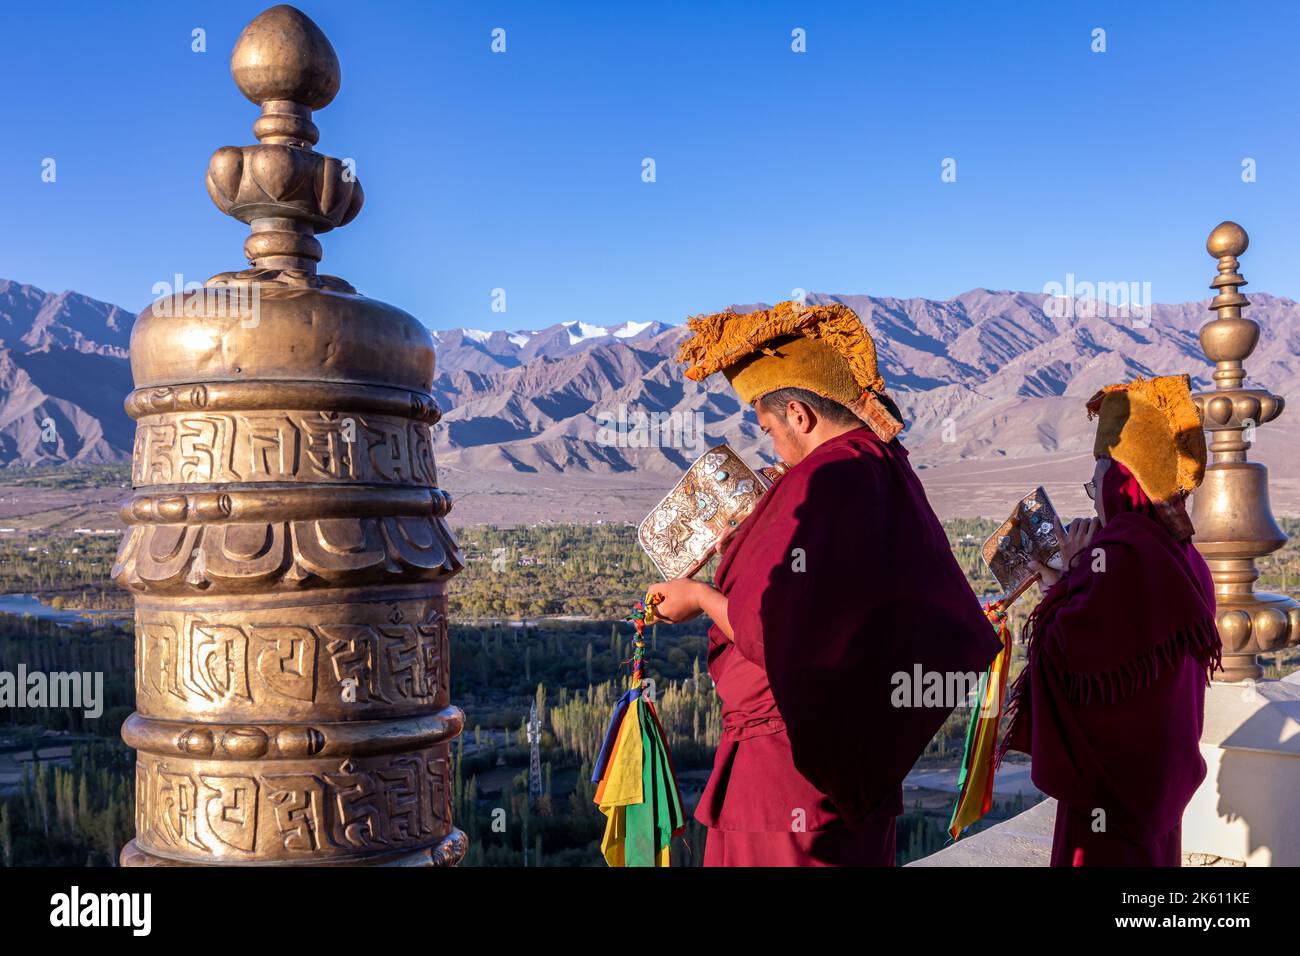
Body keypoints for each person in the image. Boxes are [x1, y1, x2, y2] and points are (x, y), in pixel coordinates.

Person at [648, 300, 1002, 866]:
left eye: (769, 429)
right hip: (849, 761)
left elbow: (780, 629)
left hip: (789, 776)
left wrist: (702, 597)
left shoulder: (830, 478)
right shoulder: (876, 462)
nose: (772, 449)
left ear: (799, 413)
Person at [999, 374, 1222, 866]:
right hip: (1157, 788)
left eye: (1096, 482)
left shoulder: (1124, 556)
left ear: (1122, 483)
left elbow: (1065, 657)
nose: (1093, 498)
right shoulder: (1185, 556)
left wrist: (1067, 581)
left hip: (1111, 793)